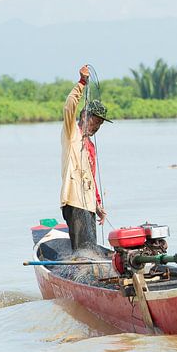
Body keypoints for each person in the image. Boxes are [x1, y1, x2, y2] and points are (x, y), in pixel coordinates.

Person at [60, 64, 110, 253]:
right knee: (82, 251)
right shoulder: (71, 133)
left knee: (90, 249)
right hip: (74, 201)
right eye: (94, 121)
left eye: (99, 125)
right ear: (84, 115)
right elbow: (69, 106)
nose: (95, 127)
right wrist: (82, 83)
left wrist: (97, 206)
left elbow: (91, 177)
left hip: (88, 204)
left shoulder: (90, 146)